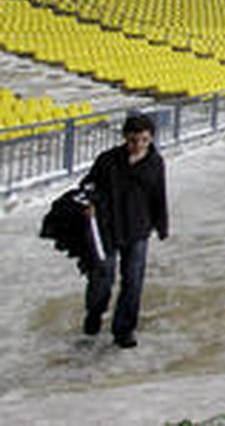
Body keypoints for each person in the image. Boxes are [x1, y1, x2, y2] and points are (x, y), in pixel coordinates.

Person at [81, 113, 169, 348]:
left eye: (143, 140)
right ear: (124, 138)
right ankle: (95, 312)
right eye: (133, 140)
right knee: (103, 275)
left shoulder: (155, 163)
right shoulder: (108, 160)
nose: (138, 145)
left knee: (133, 280)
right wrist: (88, 203)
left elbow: (158, 195)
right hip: (107, 226)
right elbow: (88, 184)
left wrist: (161, 225)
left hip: (137, 228)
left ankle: (124, 329)